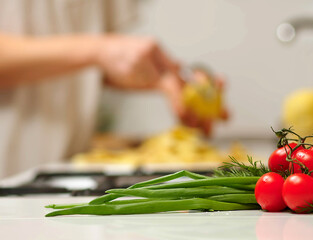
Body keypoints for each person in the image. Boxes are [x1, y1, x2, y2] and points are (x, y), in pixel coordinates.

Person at [0, 1, 226, 179]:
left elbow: (94, 65)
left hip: (67, 169)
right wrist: (99, 50)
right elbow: (97, 51)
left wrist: (167, 81)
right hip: (9, 169)